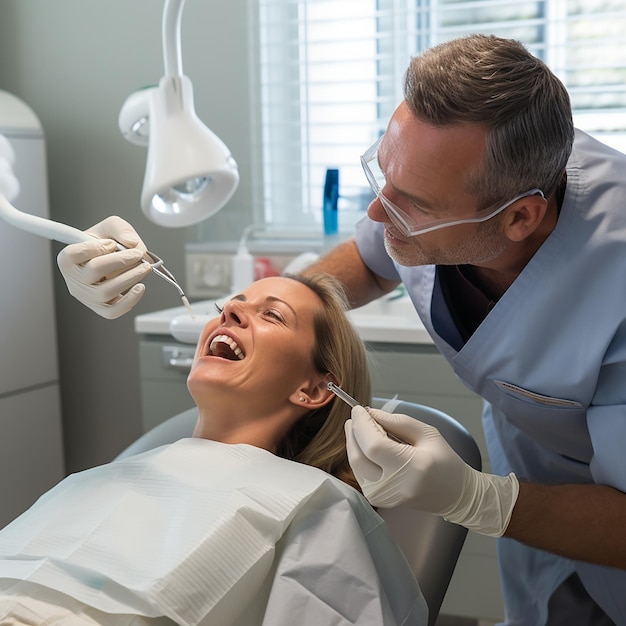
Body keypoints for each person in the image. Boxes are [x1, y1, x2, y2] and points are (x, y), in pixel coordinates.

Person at [53, 33, 626, 625]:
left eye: (413, 205)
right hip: (531, 458)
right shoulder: (445, 178)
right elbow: (368, 259)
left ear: (519, 217)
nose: (378, 216)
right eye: (383, 176)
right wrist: (270, 303)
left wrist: (477, 498)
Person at [0, 274, 427, 625]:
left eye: (272, 315)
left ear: (313, 389)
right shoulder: (115, 478)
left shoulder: (317, 504)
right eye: (232, 303)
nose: (230, 310)